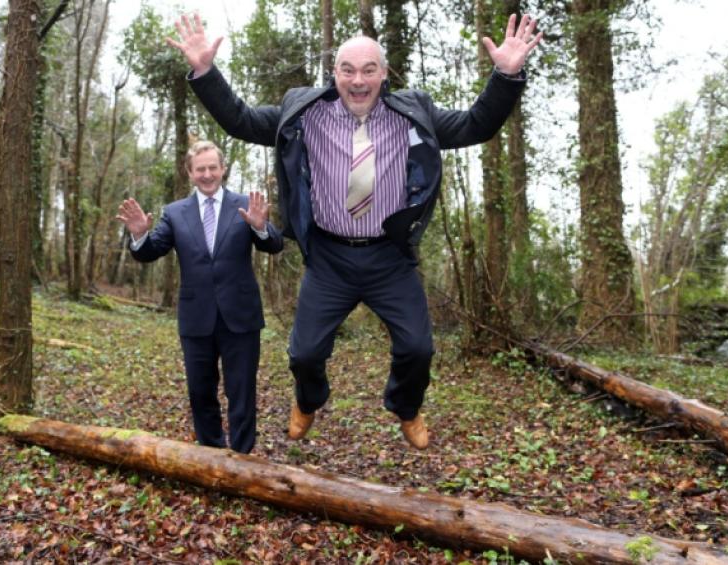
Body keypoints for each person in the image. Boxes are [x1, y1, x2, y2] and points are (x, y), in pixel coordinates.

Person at [167, 14, 542, 449]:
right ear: (335, 74)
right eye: (348, 70)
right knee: (304, 354)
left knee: (418, 349)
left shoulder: (413, 114)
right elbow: (241, 121)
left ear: (384, 74)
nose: (358, 80)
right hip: (329, 258)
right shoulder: (304, 113)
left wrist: (506, 75)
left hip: (390, 258)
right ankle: (308, 401)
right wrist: (205, 72)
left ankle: (406, 407)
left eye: (368, 70)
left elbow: (477, 125)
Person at [116, 140, 283, 454]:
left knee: (242, 391)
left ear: (222, 169)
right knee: (200, 391)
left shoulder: (245, 203)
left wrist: (261, 228)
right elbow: (151, 252)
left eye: (212, 168)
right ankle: (210, 454)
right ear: (190, 173)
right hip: (196, 318)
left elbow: (273, 245)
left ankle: (243, 457)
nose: (207, 174)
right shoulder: (175, 213)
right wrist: (139, 235)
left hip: (241, 316)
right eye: (200, 169)